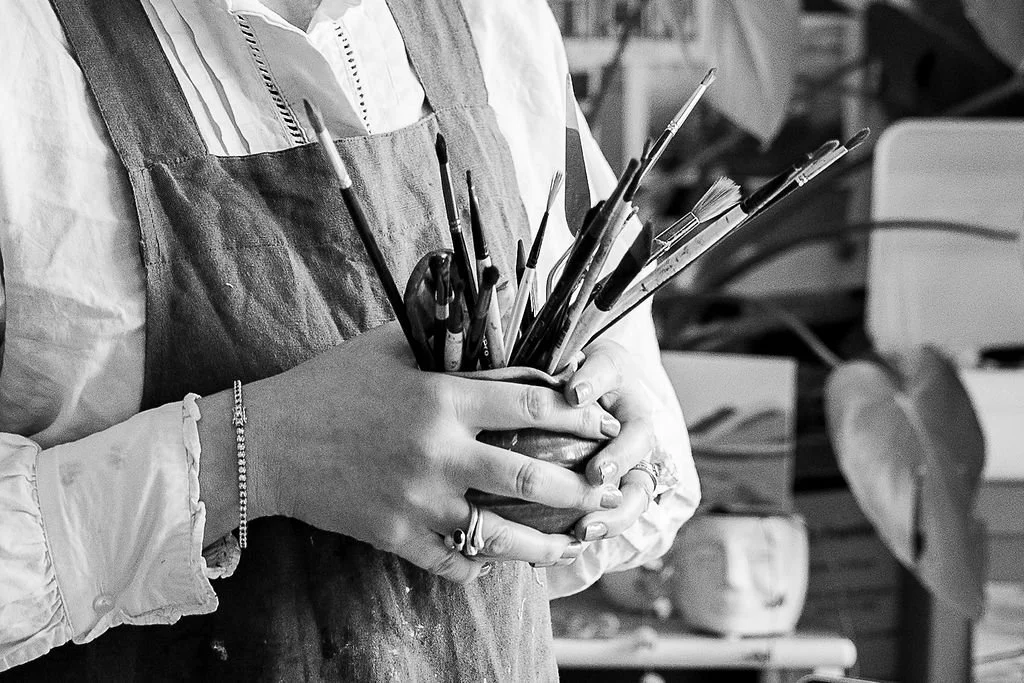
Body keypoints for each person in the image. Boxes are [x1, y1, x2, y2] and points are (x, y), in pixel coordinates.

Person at [0, 0, 699, 679]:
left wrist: (592, 456)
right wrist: (258, 452)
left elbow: (650, 460)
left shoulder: (496, 18)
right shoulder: (20, 56)